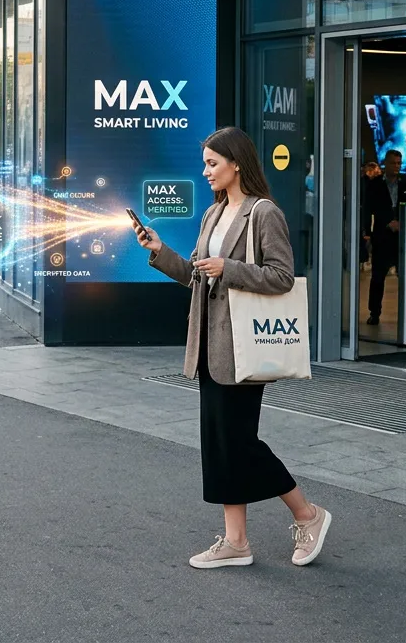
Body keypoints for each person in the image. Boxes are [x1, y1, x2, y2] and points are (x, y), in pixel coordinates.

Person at [136, 126, 331, 569]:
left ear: (236, 162)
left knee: (240, 442)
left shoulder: (264, 213)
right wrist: (160, 251)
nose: (205, 172)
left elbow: (282, 277)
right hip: (209, 345)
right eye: (204, 164)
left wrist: (231, 268)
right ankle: (236, 541)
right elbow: (196, 277)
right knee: (221, 443)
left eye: (212, 163)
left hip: (243, 346)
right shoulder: (213, 214)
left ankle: (308, 514)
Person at [363, 150, 406, 326]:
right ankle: (374, 312)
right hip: (382, 235)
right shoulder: (375, 185)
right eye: (393, 163)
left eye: (399, 163)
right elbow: (368, 209)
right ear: (385, 164)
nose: (396, 166)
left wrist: (401, 222)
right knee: (378, 277)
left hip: (403, 237)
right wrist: (376, 229)